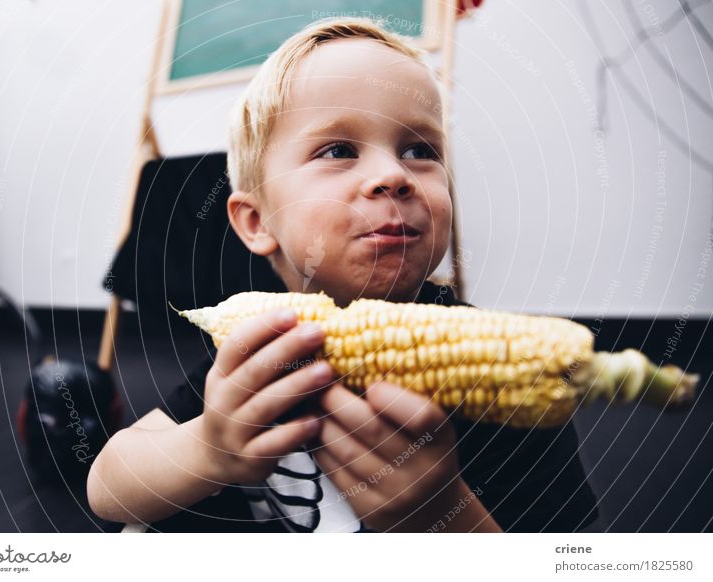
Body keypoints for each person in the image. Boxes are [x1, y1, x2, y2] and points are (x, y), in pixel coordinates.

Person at [87, 17, 598, 533]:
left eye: (421, 150)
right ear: (258, 222)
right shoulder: (261, 356)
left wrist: (441, 517)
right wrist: (207, 451)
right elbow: (108, 488)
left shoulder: (510, 374)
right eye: (338, 151)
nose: (394, 176)